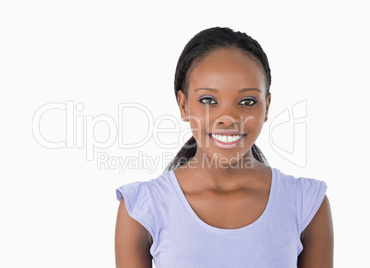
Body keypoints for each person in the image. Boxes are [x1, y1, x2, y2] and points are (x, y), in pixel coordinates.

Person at [114, 27, 333, 268]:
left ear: (267, 106)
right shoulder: (141, 209)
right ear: (183, 105)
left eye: (247, 102)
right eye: (208, 100)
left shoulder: (307, 204)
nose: (228, 118)